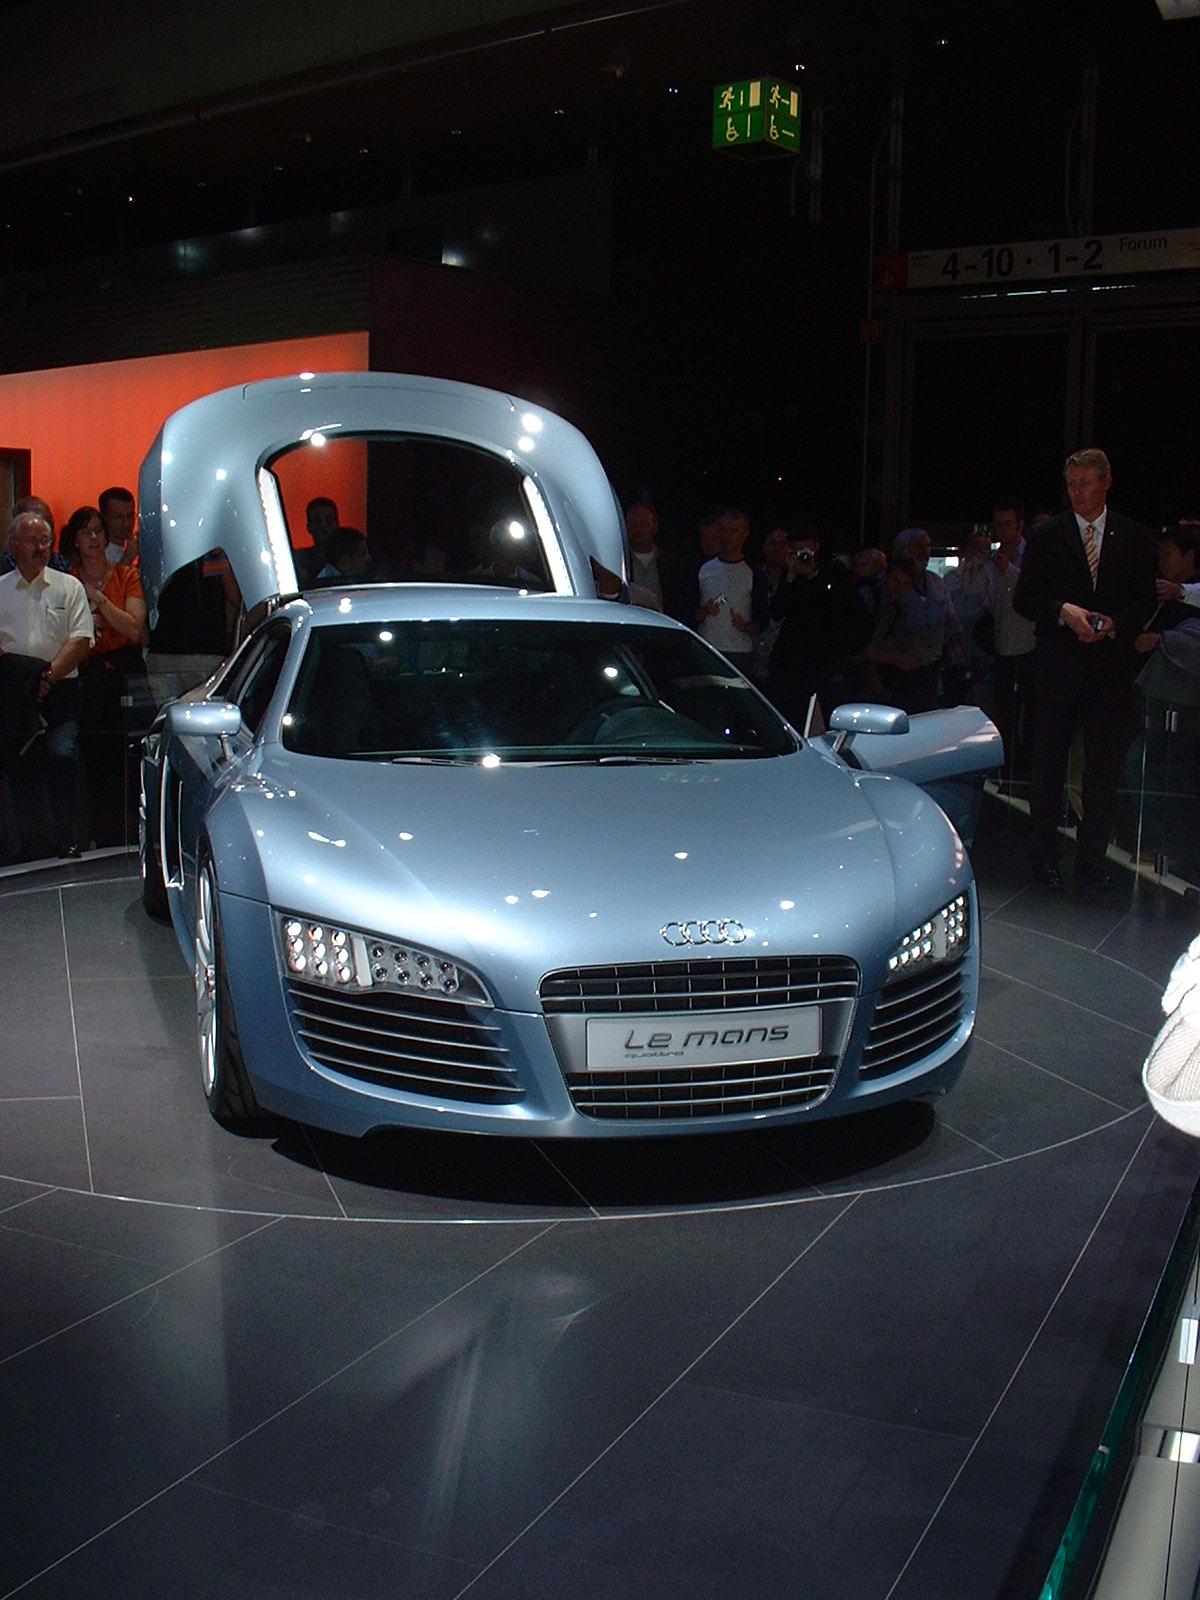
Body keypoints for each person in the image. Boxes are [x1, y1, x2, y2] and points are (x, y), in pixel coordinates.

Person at [1013, 447, 1157, 892]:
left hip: (1109, 669)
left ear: (1105, 483)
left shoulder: (1134, 536)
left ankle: (1092, 861)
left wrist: (1116, 625)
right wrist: (1063, 611)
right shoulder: (1046, 535)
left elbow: (1145, 599)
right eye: (1071, 485)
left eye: (1086, 483)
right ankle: (1043, 858)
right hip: (1057, 668)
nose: (1077, 492)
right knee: (1048, 767)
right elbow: (1025, 599)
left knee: (1102, 770)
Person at [0, 512, 94, 857]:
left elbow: (81, 640)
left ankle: (70, 836)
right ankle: (27, 845)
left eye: (45, 541)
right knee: (18, 763)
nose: (41, 548)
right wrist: (26, 681)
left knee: (61, 752)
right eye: (32, 541)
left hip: (61, 690)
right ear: (13, 545)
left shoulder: (69, 586)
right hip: (13, 693)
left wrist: (47, 679)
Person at [768, 527, 868, 726]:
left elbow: (842, 608)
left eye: (805, 550)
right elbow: (777, 611)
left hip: (823, 659)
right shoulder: (791, 573)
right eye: (797, 550)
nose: (802, 556)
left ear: (816, 546)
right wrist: (790, 576)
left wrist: (812, 574)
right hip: (792, 658)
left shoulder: (834, 572)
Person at [863, 528, 964, 713]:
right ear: (903, 550)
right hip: (891, 675)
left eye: (928, 546)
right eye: (918, 546)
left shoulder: (937, 583)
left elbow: (951, 621)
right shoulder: (885, 587)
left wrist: (955, 645)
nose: (925, 552)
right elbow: (865, 643)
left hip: (929, 672)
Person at [988, 499, 1037, 784]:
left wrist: (1007, 568)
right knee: (1003, 712)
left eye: (1008, 524)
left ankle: (1025, 770)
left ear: (1020, 525)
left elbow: (1032, 587)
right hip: (1001, 644)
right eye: (999, 525)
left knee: (1029, 714)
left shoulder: (1031, 555)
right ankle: (1005, 768)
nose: (1003, 530)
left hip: (1028, 644)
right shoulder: (991, 559)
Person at [694, 507, 767, 670]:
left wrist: (745, 626)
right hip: (706, 648)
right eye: (724, 530)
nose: (728, 536)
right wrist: (705, 611)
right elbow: (687, 612)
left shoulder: (754, 573)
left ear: (745, 534)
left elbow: (762, 620)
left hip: (739, 653)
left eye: (734, 531)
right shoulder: (703, 568)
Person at [945, 526, 999, 707]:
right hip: (959, 653)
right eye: (976, 551)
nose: (981, 557)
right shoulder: (951, 579)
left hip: (987, 654)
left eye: (985, 551)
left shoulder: (995, 577)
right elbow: (952, 614)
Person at [624, 497, 690, 621]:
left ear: (655, 527)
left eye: (643, 524)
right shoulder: (620, 563)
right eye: (633, 524)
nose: (638, 529)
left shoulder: (672, 565)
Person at [295, 496, 341, 586]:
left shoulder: (353, 558)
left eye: (328, 520)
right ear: (309, 527)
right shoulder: (299, 561)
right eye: (317, 521)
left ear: (337, 524)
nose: (323, 525)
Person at [98, 486, 138, 566]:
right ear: (103, 518)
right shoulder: (96, 554)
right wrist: (127, 558)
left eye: (130, 516)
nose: (126, 523)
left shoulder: (129, 550)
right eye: (118, 517)